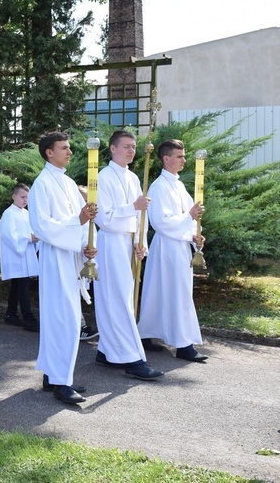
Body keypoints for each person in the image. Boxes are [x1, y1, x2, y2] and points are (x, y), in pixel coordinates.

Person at [28, 131, 97, 404]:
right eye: (64, 148)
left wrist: (86, 246)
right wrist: (76, 222)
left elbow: (83, 223)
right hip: (54, 258)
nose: (70, 152)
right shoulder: (41, 185)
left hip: (70, 257)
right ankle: (60, 382)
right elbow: (41, 226)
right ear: (49, 152)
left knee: (67, 318)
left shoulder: (68, 183)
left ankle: (55, 375)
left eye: (69, 148)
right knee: (61, 319)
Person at [93, 131, 165, 380]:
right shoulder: (103, 177)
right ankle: (131, 359)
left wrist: (140, 241)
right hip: (111, 243)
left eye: (133, 147)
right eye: (126, 146)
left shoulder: (134, 177)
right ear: (112, 149)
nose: (131, 151)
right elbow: (105, 219)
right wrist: (132, 207)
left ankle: (106, 350)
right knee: (117, 299)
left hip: (128, 244)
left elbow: (140, 218)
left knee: (122, 297)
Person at [138, 139, 208, 362]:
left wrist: (195, 234)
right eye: (180, 156)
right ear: (166, 159)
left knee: (162, 292)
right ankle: (183, 345)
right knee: (176, 294)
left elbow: (189, 216)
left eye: (184, 156)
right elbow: (160, 221)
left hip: (180, 246)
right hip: (167, 247)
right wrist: (189, 217)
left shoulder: (178, 185)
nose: (184, 160)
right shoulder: (159, 187)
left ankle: (146, 334)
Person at [0, 183, 40, 332]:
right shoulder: (9, 213)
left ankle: (11, 314)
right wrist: (28, 238)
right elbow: (8, 234)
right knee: (22, 286)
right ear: (14, 196)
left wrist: (35, 237)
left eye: (27, 197)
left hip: (25, 255)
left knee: (17, 286)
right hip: (16, 256)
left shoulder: (26, 213)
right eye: (22, 197)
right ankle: (28, 318)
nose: (25, 200)